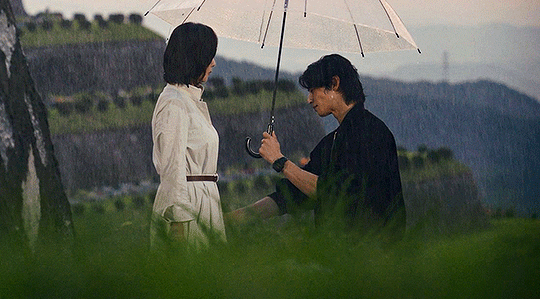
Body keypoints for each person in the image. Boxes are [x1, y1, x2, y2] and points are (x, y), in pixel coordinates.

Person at [226, 54, 405, 236]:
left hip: (373, 249)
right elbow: (293, 195)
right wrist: (232, 219)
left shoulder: (371, 133)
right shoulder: (331, 143)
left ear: (334, 83)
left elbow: (334, 194)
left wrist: (280, 162)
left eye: (313, 90)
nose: (309, 99)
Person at [150, 22, 226, 249]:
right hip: (189, 207)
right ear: (196, 58)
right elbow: (172, 167)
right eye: (209, 56)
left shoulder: (187, 100)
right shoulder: (174, 103)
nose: (213, 63)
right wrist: (179, 224)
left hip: (202, 201)